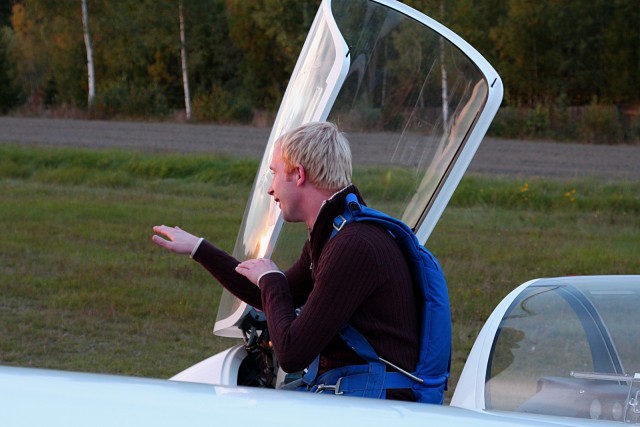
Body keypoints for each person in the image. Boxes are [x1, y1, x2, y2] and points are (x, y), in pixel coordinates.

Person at [152, 121, 419, 401]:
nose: (270, 189)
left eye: (275, 173)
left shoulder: (352, 246)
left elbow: (292, 353)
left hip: (377, 406)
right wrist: (198, 248)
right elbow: (266, 295)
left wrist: (271, 278)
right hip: (362, 396)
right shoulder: (334, 234)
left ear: (299, 175)